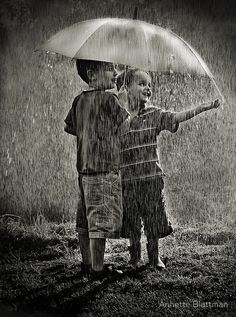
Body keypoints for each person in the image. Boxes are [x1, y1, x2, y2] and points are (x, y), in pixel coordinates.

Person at [117, 68, 220, 269]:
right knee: (131, 221)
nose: (147, 88)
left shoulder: (155, 114)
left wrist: (202, 107)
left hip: (152, 179)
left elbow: (177, 117)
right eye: (141, 83)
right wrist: (123, 109)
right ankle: (135, 257)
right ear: (126, 88)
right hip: (128, 180)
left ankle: (154, 257)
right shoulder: (120, 117)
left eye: (149, 85)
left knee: (153, 219)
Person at [64, 59, 128, 279]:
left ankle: (87, 263)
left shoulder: (78, 100)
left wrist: (88, 131)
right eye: (110, 68)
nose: (116, 72)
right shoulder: (110, 99)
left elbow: (69, 126)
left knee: (85, 220)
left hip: (83, 170)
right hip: (103, 169)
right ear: (92, 74)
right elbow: (125, 126)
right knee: (99, 221)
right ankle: (98, 269)